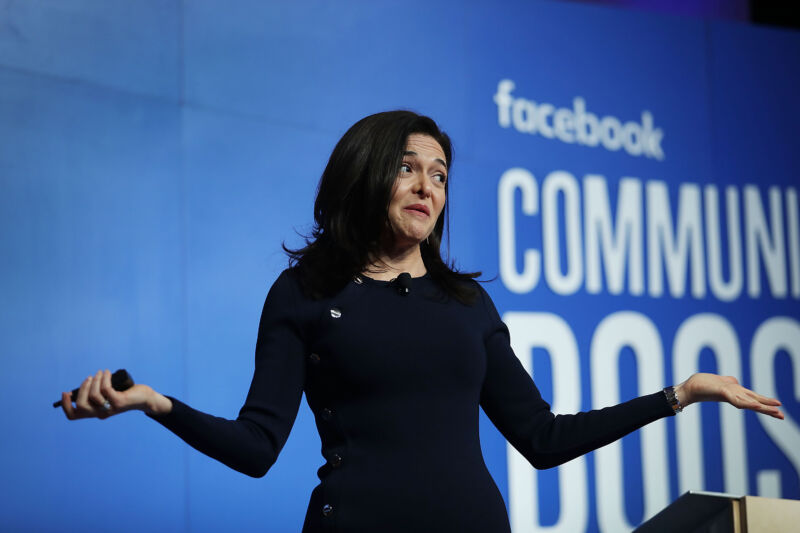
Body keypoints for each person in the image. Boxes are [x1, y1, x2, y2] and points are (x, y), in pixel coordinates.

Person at [61, 111, 784, 532]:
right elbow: (256, 447)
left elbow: (542, 437)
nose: (427, 185)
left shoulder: (467, 304)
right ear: (366, 175)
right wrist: (153, 402)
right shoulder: (305, 292)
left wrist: (679, 394)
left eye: (440, 173)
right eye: (408, 168)